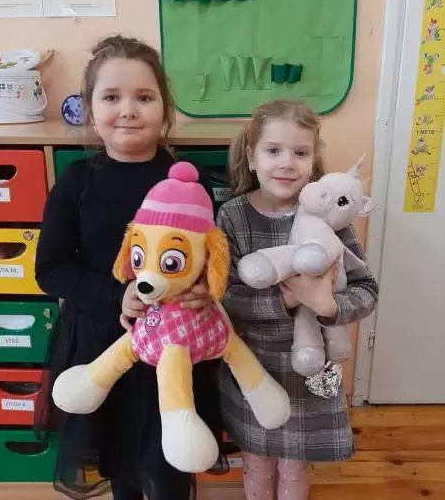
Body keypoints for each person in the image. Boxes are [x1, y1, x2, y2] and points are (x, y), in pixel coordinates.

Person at [35, 35, 224, 500]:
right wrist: (115, 295)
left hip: (176, 347)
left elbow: (213, 256)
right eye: (111, 97)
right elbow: (51, 269)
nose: (128, 110)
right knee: (120, 459)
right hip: (103, 342)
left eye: (143, 97)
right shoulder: (76, 181)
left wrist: (206, 288)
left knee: (169, 461)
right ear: (90, 111)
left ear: (165, 108)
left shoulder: (189, 184)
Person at [216, 99, 378, 500]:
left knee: (295, 465)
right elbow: (224, 297)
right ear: (251, 156)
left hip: (313, 366)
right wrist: (288, 301)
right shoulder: (232, 216)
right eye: (274, 150)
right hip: (253, 366)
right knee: (256, 460)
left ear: (313, 160)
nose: (287, 163)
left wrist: (328, 306)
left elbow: (366, 289)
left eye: (300, 153)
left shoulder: (331, 215)